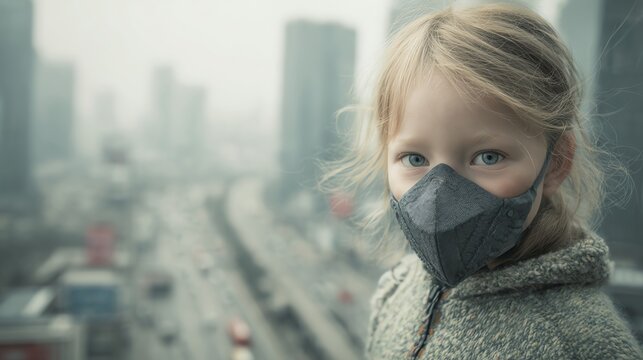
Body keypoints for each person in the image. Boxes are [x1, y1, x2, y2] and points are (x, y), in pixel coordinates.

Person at [321, 2, 643, 359]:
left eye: (487, 157)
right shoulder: (396, 290)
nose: (441, 196)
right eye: (415, 159)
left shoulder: (581, 343)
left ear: (555, 163)